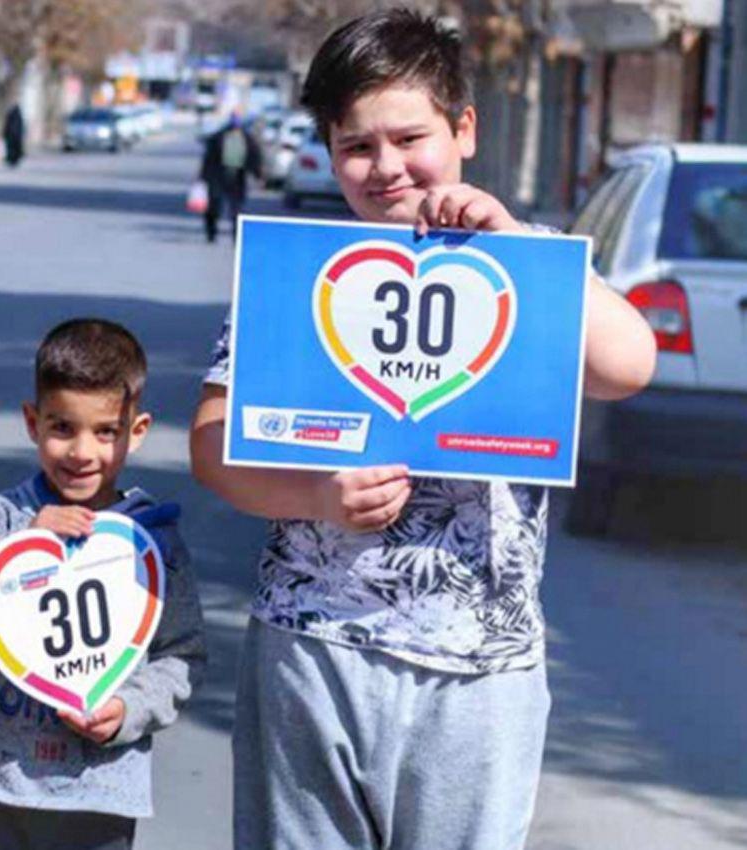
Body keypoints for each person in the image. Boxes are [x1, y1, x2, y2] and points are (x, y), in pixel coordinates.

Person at [187, 10, 657, 850]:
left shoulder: (527, 259)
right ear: (328, 151)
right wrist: (316, 495)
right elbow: (215, 443)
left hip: (482, 673)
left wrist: (509, 240)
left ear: (464, 129)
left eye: (410, 138)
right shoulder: (300, 278)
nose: (385, 166)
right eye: (355, 147)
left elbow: (628, 366)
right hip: (312, 646)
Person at [0, 319, 206, 850]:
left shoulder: (152, 539)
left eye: (105, 432)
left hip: (98, 789)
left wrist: (128, 711)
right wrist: (15, 546)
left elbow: (180, 656)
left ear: (136, 431)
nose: (81, 452)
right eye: (62, 427)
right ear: (32, 421)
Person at [197, 109, 261, 243]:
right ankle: (211, 233)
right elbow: (208, 158)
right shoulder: (219, 137)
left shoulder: (246, 138)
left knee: (237, 210)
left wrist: (258, 174)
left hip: (237, 177)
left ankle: (236, 236)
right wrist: (203, 177)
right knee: (213, 207)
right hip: (218, 176)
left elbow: (254, 157)